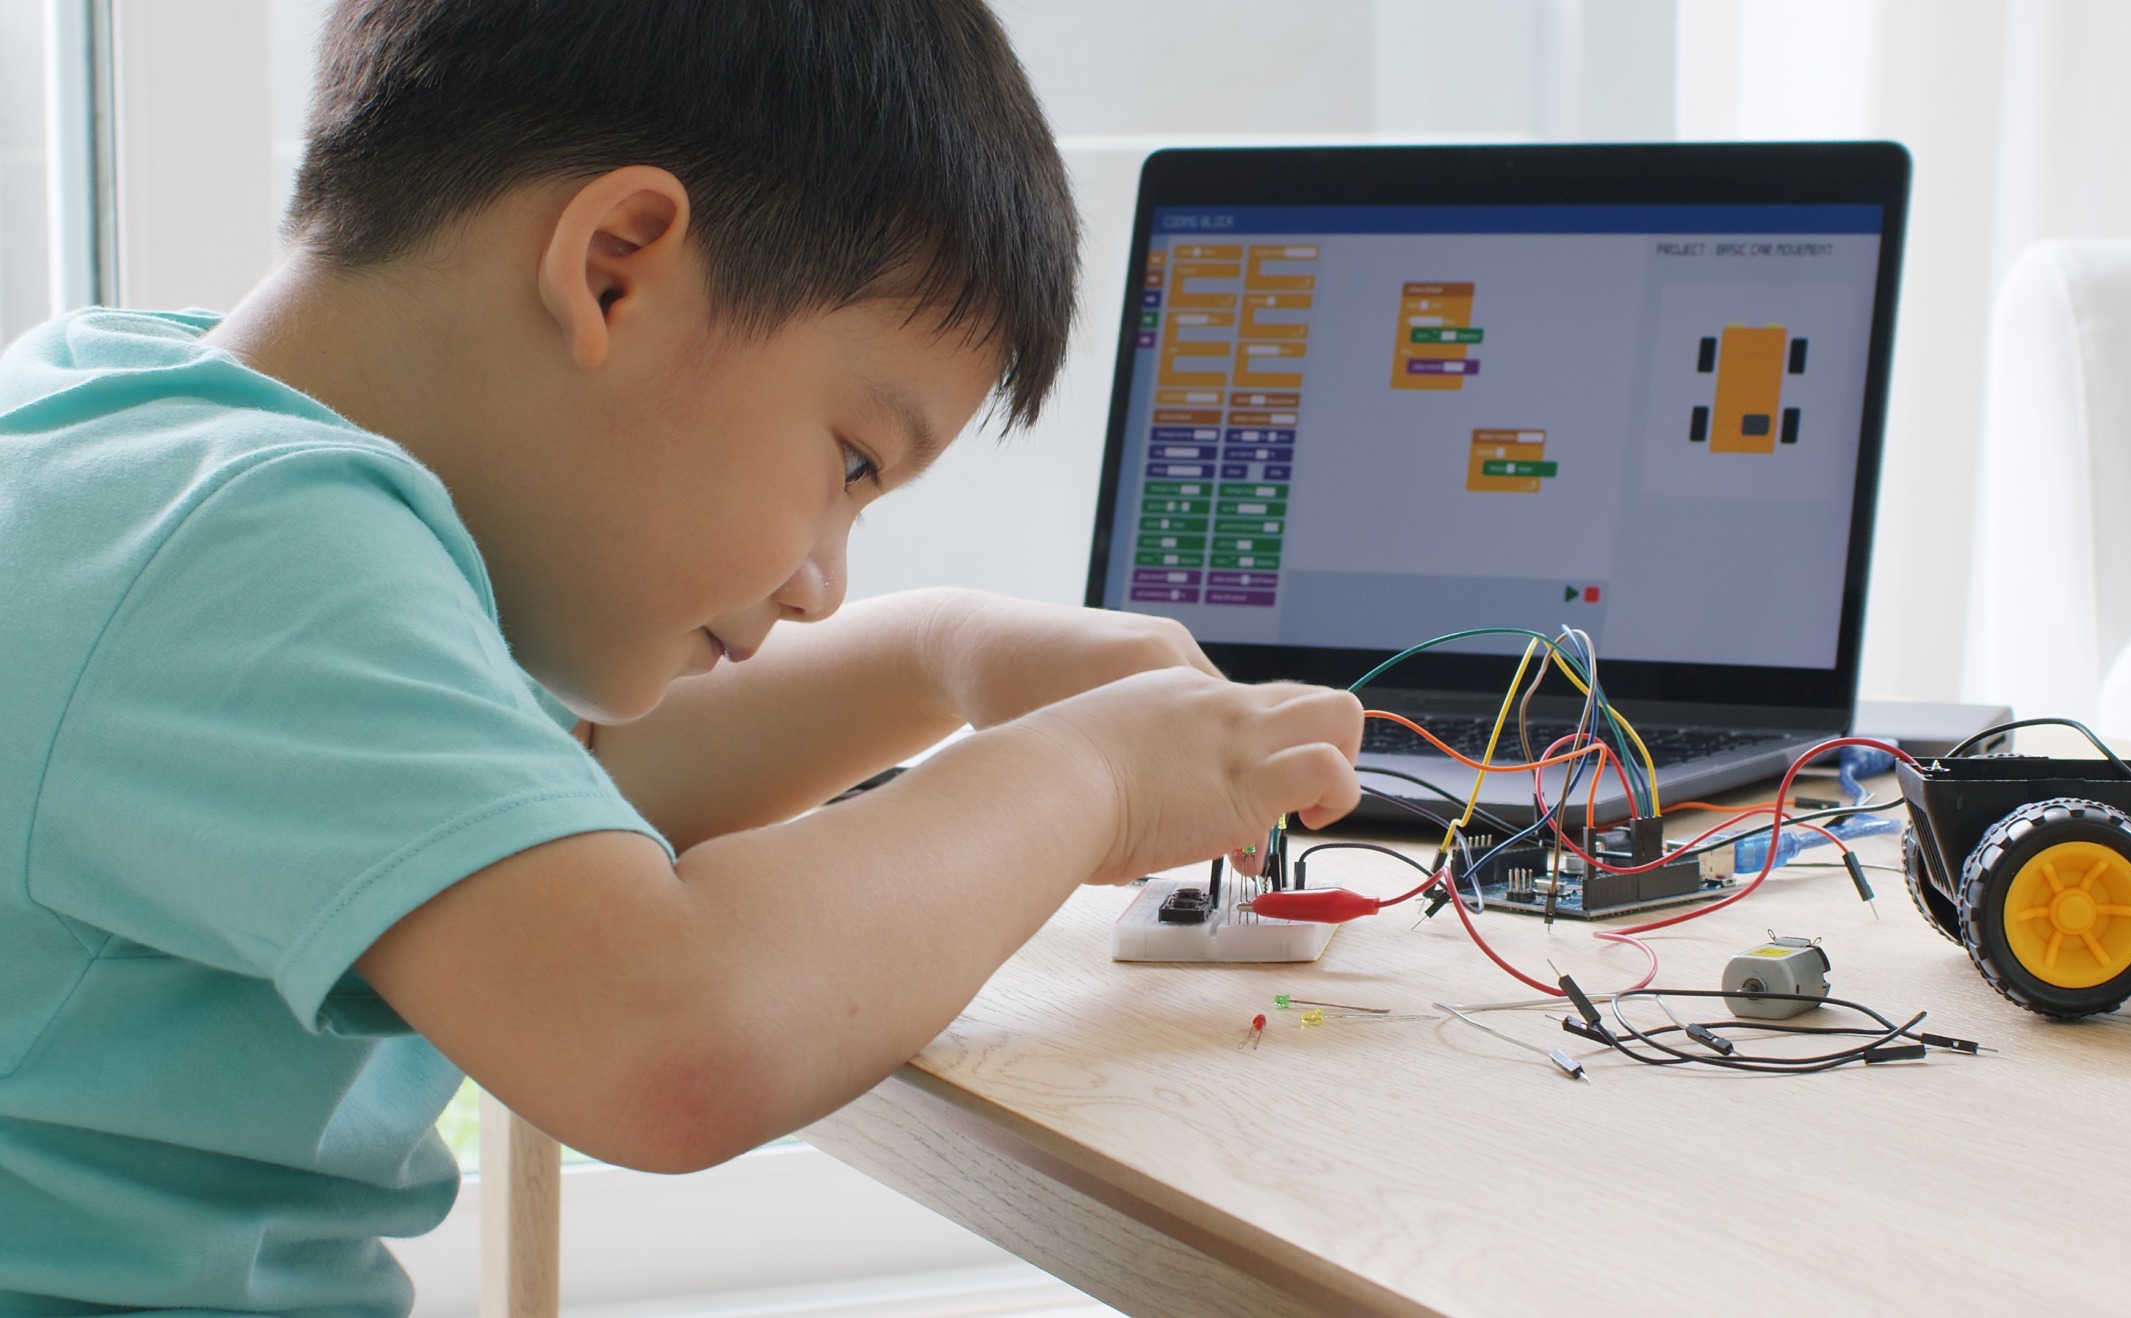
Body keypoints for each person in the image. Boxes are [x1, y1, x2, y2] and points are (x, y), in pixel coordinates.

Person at [0, 0, 1362, 1310]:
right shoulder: (246, 544)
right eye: (850, 461)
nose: (828, 582)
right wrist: (1092, 780)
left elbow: (565, 783)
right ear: (614, 265)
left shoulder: (146, 442)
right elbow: (668, 1033)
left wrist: (949, 657)